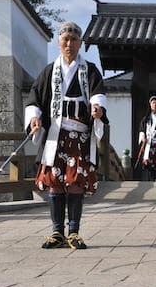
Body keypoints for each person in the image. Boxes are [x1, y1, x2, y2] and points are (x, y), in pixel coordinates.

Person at [25, 21, 107, 250]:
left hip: (79, 135)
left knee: (75, 181)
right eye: (65, 40)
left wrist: (97, 108)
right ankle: (56, 231)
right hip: (56, 135)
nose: (69, 44)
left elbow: (98, 93)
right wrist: (34, 117)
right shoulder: (50, 71)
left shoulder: (89, 70)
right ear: (59, 43)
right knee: (55, 182)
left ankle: (74, 232)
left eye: (73, 40)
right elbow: (35, 98)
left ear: (80, 43)